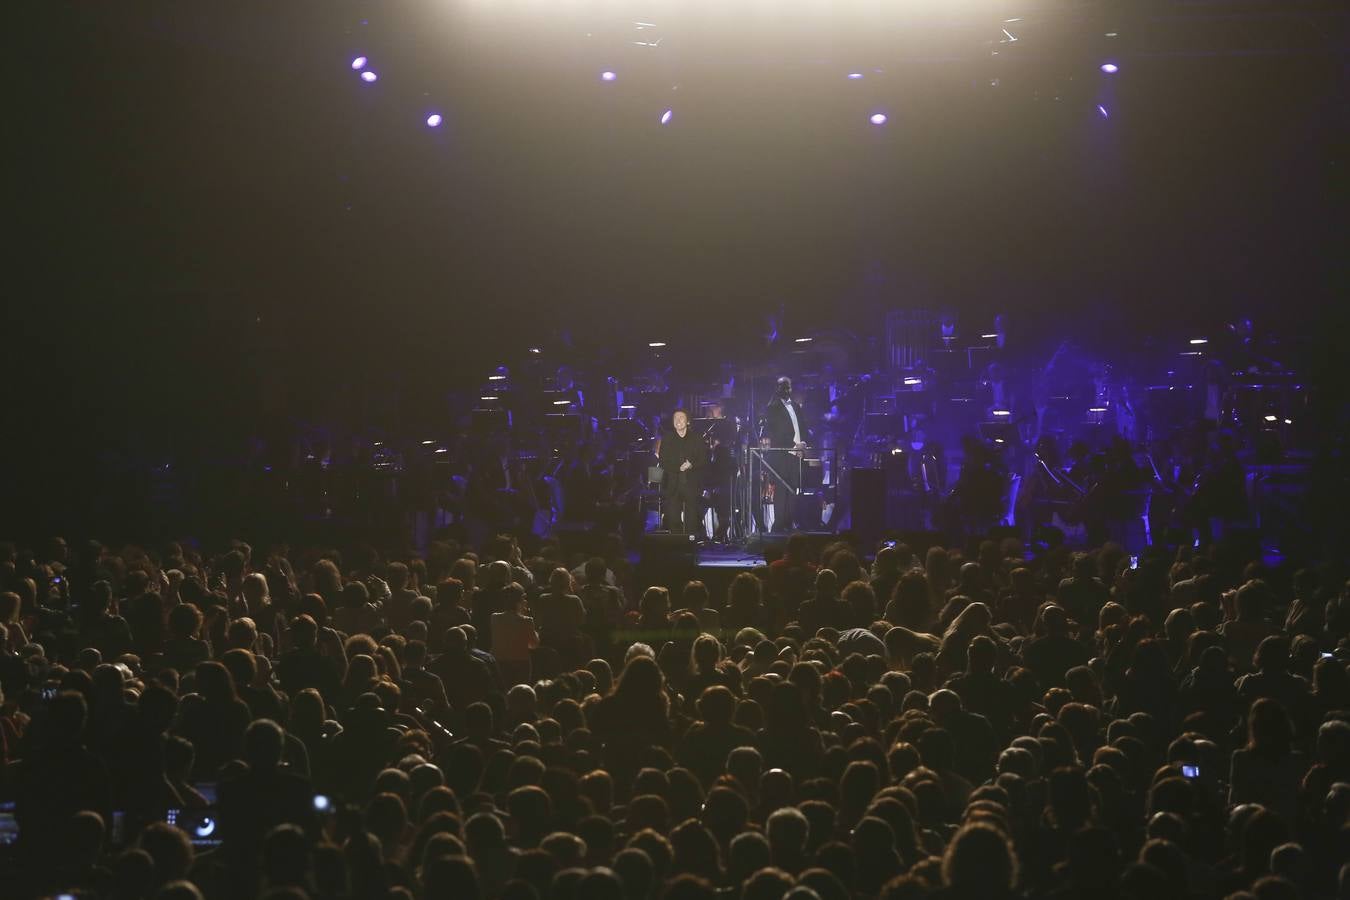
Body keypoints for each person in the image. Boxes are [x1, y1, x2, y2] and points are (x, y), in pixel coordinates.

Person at [761, 377, 810, 533]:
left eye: (788, 386)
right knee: (782, 490)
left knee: (793, 489)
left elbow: (803, 427)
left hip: (797, 454)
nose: (786, 389)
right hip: (783, 454)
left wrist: (803, 444)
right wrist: (794, 445)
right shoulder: (772, 408)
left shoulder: (796, 406)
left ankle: (789, 523)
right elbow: (775, 434)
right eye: (783, 386)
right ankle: (778, 526)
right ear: (777, 388)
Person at [658, 410, 709, 538]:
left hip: (691, 483)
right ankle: (677, 545)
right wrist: (678, 468)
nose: (678, 420)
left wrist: (691, 465)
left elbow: (704, 459)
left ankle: (691, 545)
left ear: (688, 421)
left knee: (692, 519)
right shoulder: (667, 439)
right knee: (673, 518)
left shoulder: (696, 439)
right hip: (673, 484)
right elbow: (663, 461)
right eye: (675, 418)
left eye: (681, 418)